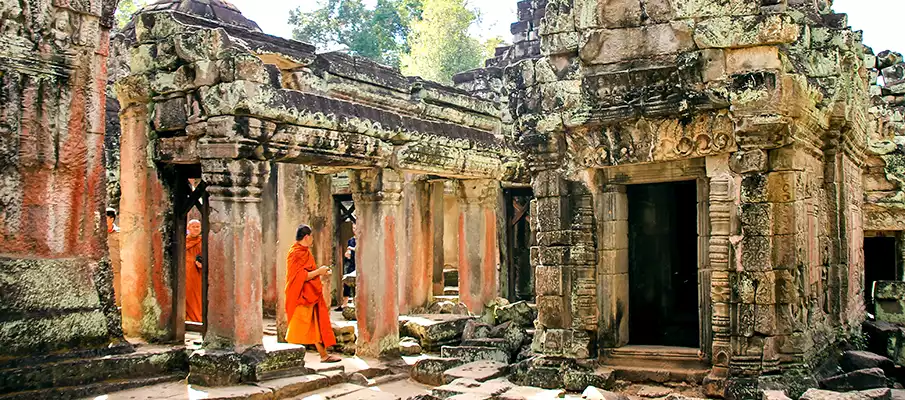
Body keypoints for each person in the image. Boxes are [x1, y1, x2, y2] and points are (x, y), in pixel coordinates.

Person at [285, 224, 340, 363]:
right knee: (296, 328)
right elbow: (300, 277)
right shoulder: (295, 253)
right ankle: (287, 358)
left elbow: (309, 273)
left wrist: (321, 272)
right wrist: (319, 272)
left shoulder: (305, 252)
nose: (313, 239)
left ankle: (324, 355)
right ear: (306, 237)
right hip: (301, 295)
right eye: (312, 236)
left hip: (310, 294)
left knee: (314, 325)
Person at [185, 220, 203, 323]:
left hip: (197, 274)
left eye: (198, 227)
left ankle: (197, 319)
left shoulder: (203, 241)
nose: (196, 229)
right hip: (185, 274)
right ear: (188, 228)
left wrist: (202, 264)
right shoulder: (184, 241)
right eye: (193, 227)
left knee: (197, 297)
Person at [336, 229, 356, 311]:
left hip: (361, 264)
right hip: (351, 263)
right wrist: (347, 254)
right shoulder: (351, 240)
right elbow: (348, 252)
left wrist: (353, 249)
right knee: (347, 283)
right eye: (353, 227)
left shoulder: (363, 239)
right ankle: (344, 304)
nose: (354, 229)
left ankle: (356, 303)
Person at [106, 208, 122, 307]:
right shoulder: (99, 233)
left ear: (111, 219)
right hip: (104, 267)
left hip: (116, 268)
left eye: (106, 218)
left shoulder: (119, 233)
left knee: (117, 292)